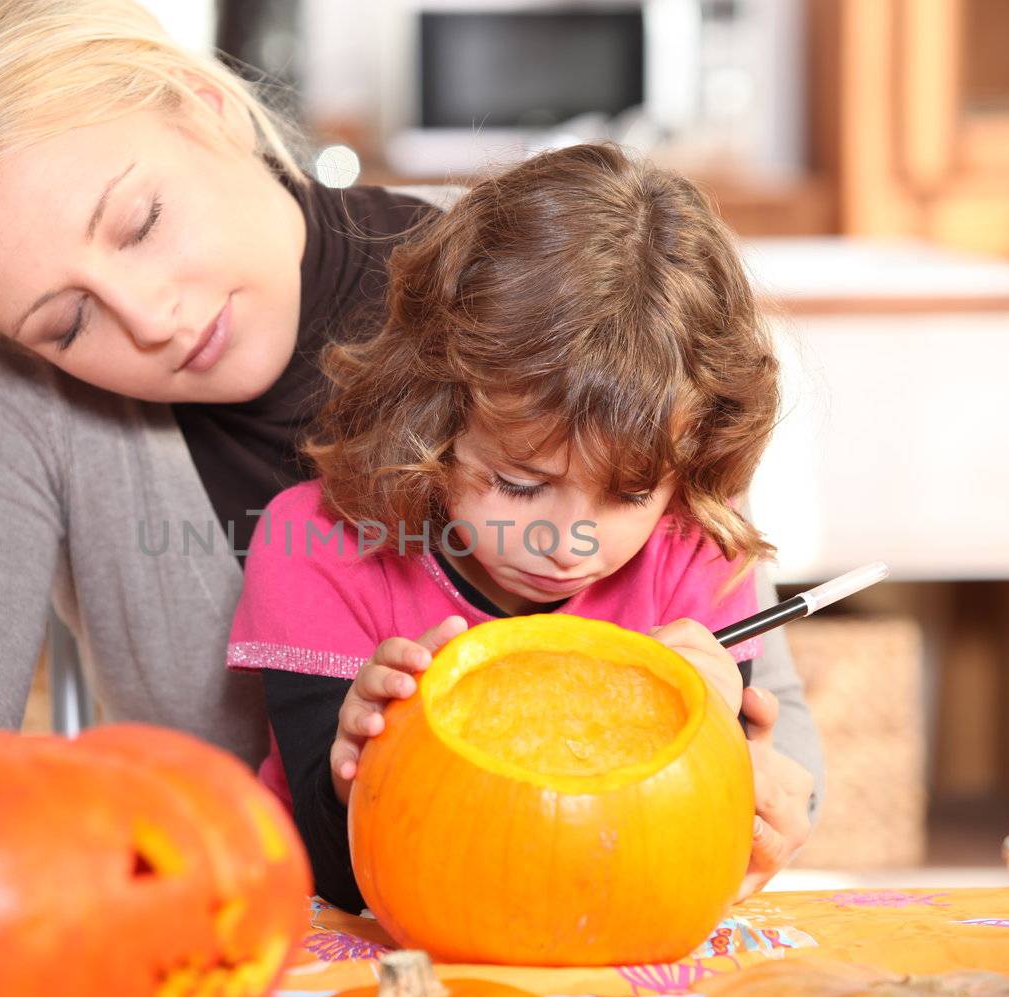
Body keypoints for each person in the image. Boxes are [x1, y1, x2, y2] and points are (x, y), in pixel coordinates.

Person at [0, 0, 820, 897]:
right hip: (232, 939)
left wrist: (754, 791)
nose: (150, 319)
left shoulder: (525, 298)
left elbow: (773, 724)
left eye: (140, 223)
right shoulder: (9, 381)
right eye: (66, 323)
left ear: (205, 105)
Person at [229, 143, 804, 910]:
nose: (568, 544)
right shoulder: (319, 546)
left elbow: (688, 863)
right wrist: (353, 764)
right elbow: (337, 879)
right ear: (432, 409)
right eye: (520, 484)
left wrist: (732, 770)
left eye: (629, 495)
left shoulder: (698, 544)